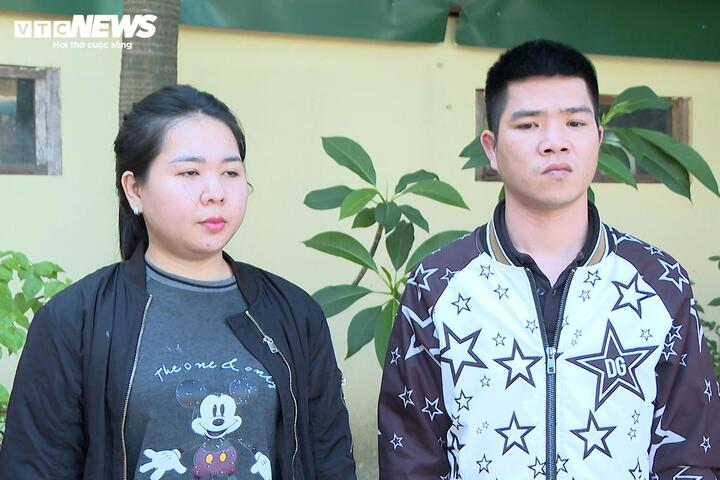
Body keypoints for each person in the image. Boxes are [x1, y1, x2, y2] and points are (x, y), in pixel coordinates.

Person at [378, 39, 720, 479]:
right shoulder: (438, 286)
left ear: (598, 139)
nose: (555, 143)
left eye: (575, 122)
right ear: (491, 148)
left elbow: (691, 454)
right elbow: (411, 459)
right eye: (528, 125)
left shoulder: (660, 283)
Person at [0, 84, 356, 480]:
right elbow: (35, 468)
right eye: (190, 172)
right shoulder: (75, 321)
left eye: (230, 172)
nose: (215, 193)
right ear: (135, 189)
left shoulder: (294, 314)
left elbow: (330, 459)